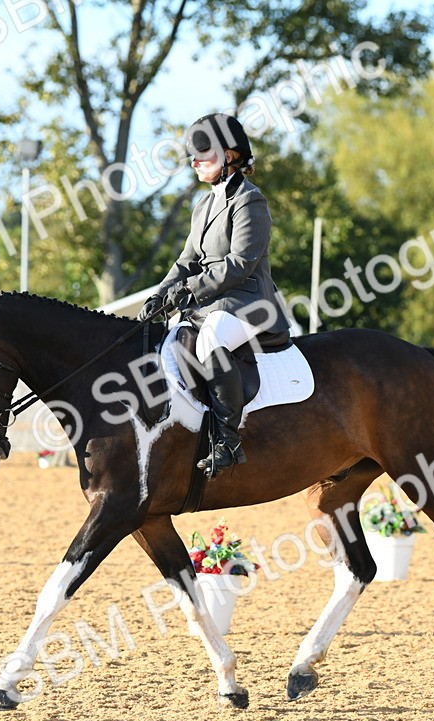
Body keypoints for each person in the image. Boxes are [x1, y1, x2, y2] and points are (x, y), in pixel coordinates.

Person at [138, 113, 291, 479]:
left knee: (211, 339)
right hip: (212, 302)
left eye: (203, 154)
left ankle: (227, 441)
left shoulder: (250, 201)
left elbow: (240, 263)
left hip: (249, 303)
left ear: (230, 156)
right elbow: (187, 261)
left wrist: (187, 291)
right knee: (170, 341)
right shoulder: (204, 206)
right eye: (193, 155)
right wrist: (159, 295)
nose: (195, 161)